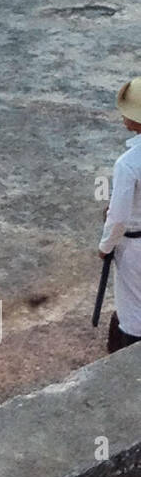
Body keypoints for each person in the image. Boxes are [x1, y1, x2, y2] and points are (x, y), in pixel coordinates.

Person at [98, 77, 141, 352]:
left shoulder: (128, 164)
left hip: (135, 246)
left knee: (133, 313)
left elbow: (119, 218)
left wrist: (105, 246)